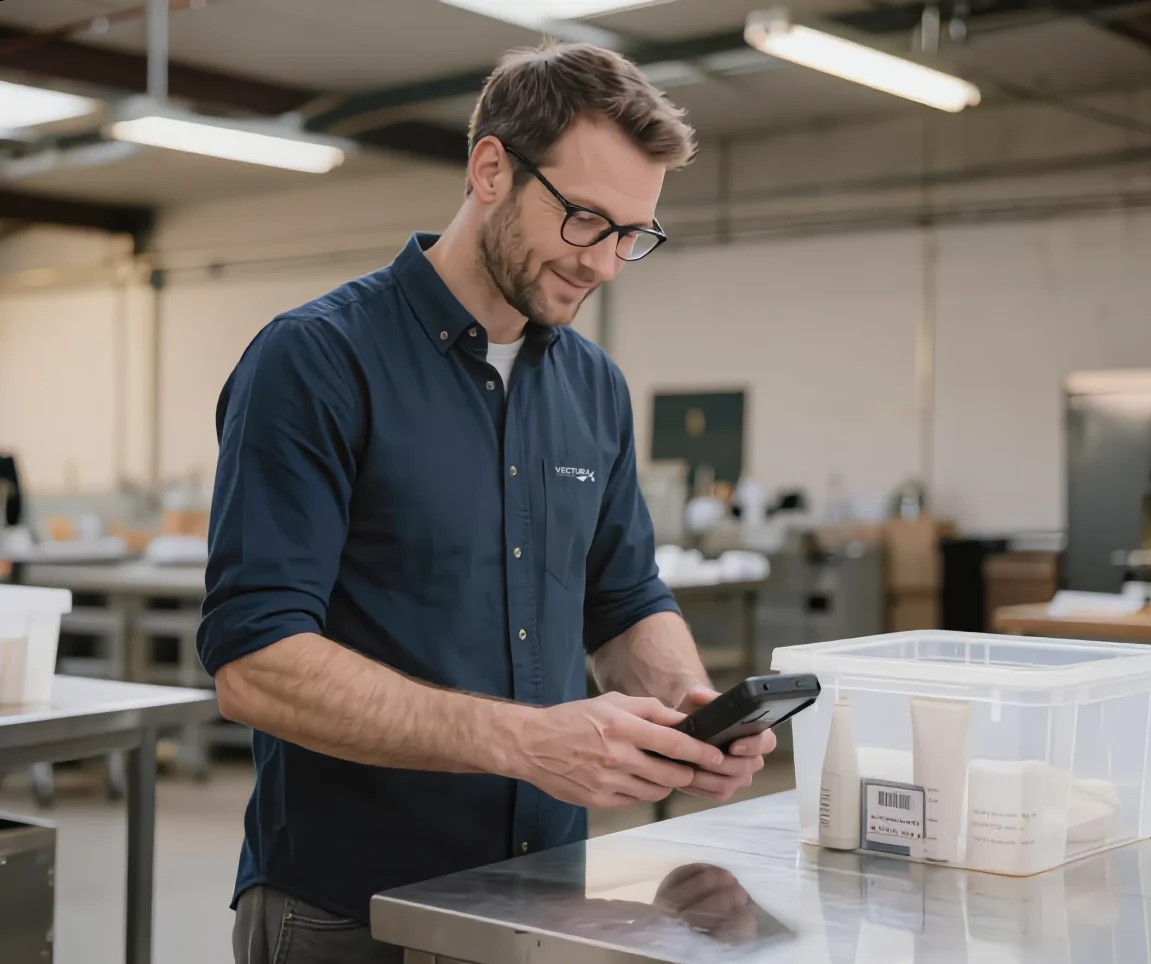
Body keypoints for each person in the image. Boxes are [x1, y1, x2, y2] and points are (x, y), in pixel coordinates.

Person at [198, 40, 777, 964]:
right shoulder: (314, 362)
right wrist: (524, 742)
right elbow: (255, 662)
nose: (608, 265)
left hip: (546, 902)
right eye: (588, 220)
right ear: (492, 169)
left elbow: (622, 598)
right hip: (350, 912)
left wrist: (691, 712)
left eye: (634, 234)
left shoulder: (594, 388)